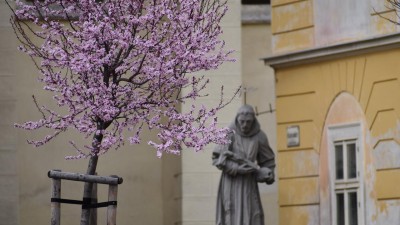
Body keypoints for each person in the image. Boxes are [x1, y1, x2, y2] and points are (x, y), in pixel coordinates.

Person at [212, 104, 275, 225]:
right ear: (237, 119)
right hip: (230, 183)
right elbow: (217, 158)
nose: (245, 125)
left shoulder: (259, 137)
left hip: (248, 184)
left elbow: (268, 161)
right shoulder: (228, 133)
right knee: (231, 215)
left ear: (253, 121)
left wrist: (267, 174)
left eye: (248, 122)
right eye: (242, 121)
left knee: (252, 214)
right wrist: (236, 168)